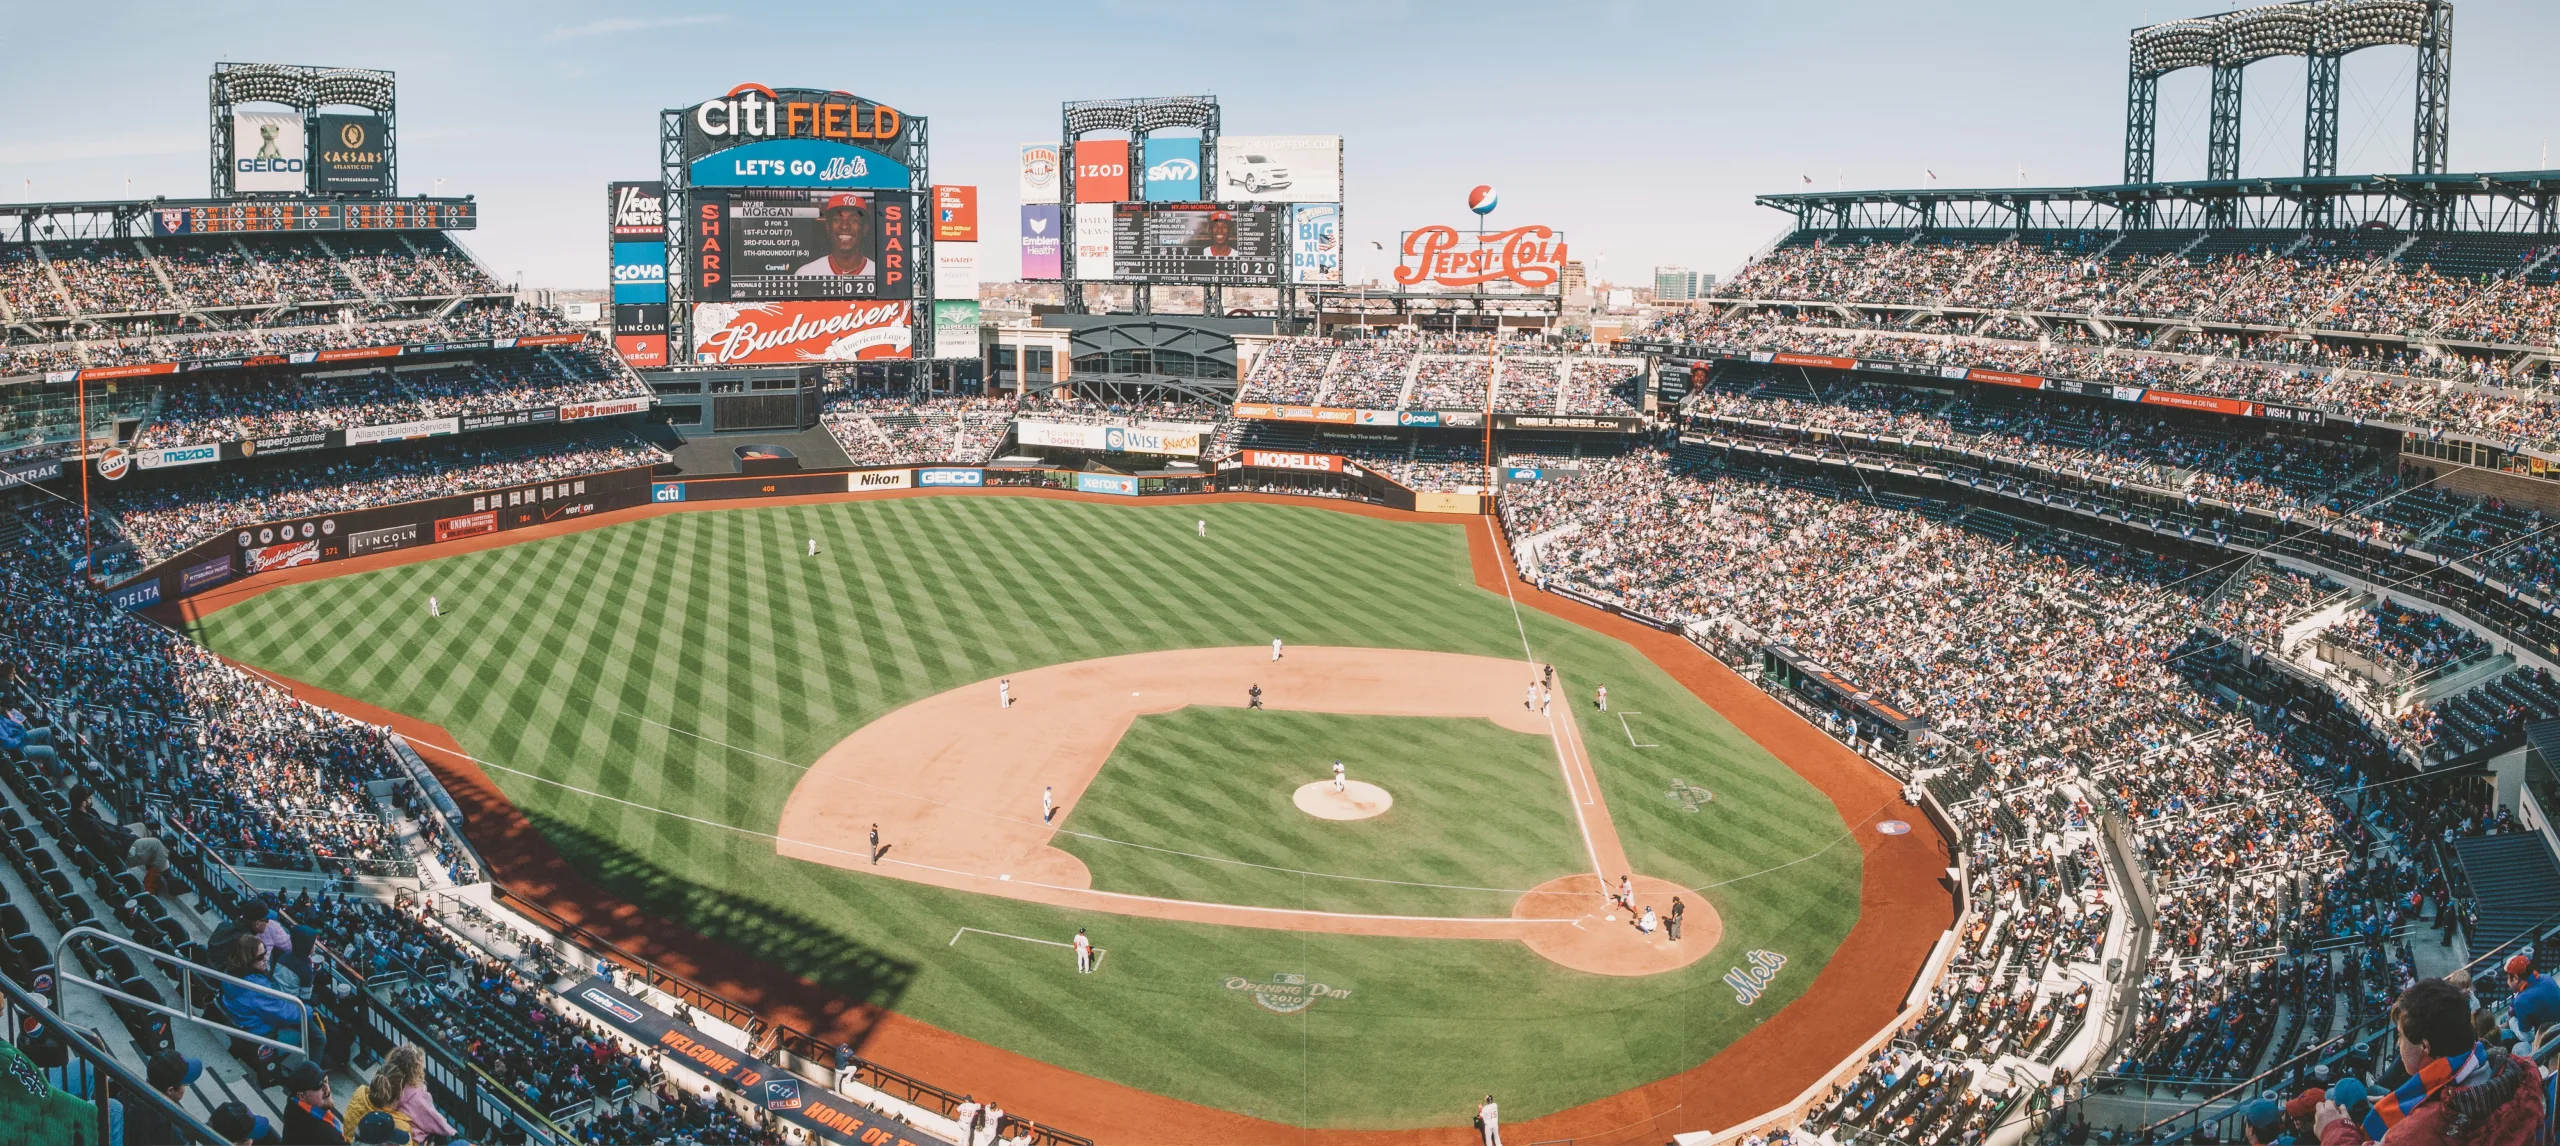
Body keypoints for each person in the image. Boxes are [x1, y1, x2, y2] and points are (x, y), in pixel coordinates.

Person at [2315, 976, 2544, 1144]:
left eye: (2400, 1036)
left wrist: (2334, 1130)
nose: (2398, 1045)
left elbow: (2424, 1129)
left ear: (2425, 1046)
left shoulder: (2426, 1129)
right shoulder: (2513, 1069)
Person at [128, 1049, 203, 1146]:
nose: (185, 1088)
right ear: (170, 1091)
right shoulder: (176, 1137)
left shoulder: (126, 1093)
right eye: (185, 1084)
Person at [795, 194, 877, 278]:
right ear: (828, 227)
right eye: (837, 219)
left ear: (865, 229)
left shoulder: (879, 274)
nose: (844, 226)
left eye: (853, 220)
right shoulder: (806, 274)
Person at [278, 1057, 347, 1145]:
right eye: (318, 1086)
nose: (326, 1087)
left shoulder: (292, 1106)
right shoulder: (327, 1135)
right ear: (302, 1096)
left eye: (326, 1080)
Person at [2502, 954, 2560, 1037]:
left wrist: (2511, 1021)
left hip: (2546, 1038)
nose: (2507, 981)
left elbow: (2527, 1036)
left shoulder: (2521, 1000)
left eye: (2507, 978)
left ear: (2515, 978)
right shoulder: (2547, 978)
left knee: (2505, 1034)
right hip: (2556, 1025)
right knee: (2505, 1019)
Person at [128, 822, 173, 895]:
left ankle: (154, 871)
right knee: (158, 845)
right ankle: (151, 882)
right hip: (124, 847)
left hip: (118, 835)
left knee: (141, 826)